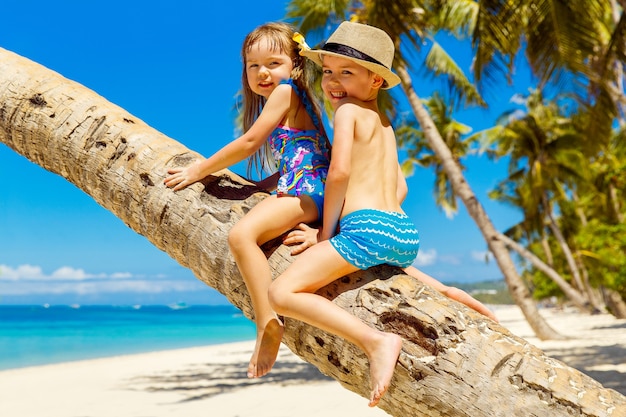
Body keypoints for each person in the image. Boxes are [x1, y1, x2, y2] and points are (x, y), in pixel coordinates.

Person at [268, 21, 493, 409]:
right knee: (383, 258)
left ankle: (376, 341)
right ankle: (446, 290)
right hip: (403, 233)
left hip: (365, 229)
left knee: (281, 292)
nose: (334, 82)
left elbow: (337, 174)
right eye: (329, 71)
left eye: (347, 72)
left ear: (375, 81)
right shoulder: (386, 126)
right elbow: (400, 187)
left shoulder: (348, 113)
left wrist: (326, 233)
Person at [164, 22, 330, 379]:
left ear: (295, 65)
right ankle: (266, 319)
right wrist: (262, 185)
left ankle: (266, 320)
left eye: (273, 62)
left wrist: (199, 170)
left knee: (241, 236)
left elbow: (249, 143)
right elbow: (302, 157)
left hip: (307, 193)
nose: (262, 72)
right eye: (253, 66)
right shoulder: (294, 100)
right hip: (307, 189)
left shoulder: (287, 92)